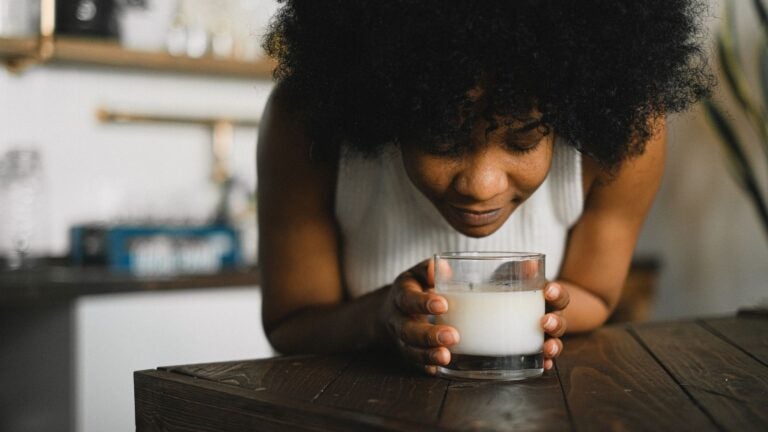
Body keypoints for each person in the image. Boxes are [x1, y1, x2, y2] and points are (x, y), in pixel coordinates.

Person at [256, 0, 712, 374]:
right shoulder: (307, 126)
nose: (480, 185)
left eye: (524, 139)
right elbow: (291, 323)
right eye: (441, 140)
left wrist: (546, 309)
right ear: (388, 109)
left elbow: (597, 293)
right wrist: (381, 316)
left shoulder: (623, 137)